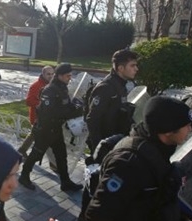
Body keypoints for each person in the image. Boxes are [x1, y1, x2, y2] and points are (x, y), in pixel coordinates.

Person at [18, 63, 83, 192]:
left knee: (61, 155)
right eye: (67, 76)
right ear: (59, 76)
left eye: (70, 76)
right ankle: (24, 176)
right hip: (45, 129)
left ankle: (65, 182)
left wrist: (77, 107)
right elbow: (50, 112)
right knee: (36, 154)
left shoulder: (62, 88)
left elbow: (66, 105)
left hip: (56, 128)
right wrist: (72, 112)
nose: (69, 78)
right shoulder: (50, 90)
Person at [86, 49, 139, 153]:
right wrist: (98, 147)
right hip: (105, 145)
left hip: (116, 141)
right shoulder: (106, 87)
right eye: (132, 66)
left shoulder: (121, 85)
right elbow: (92, 119)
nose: (136, 69)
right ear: (120, 68)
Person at [17, 65, 54, 158]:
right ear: (43, 74)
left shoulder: (51, 85)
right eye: (48, 74)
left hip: (47, 117)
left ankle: (22, 151)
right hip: (37, 116)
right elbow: (29, 101)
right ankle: (52, 161)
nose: (51, 76)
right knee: (42, 137)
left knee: (34, 135)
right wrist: (44, 103)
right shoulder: (36, 86)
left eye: (52, 74)